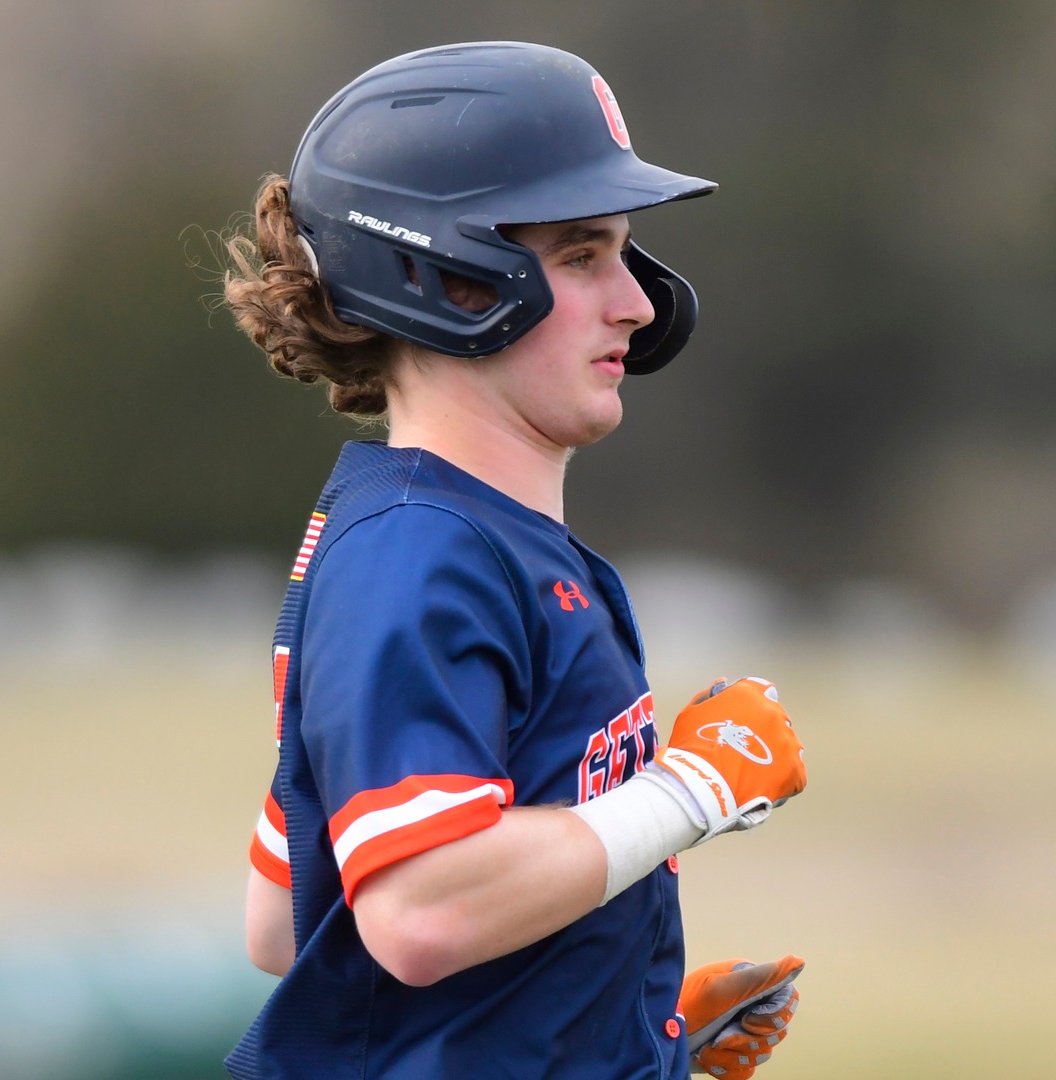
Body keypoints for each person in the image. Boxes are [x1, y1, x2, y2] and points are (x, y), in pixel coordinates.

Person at [214, 42, 810, 1080]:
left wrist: (622, 1030)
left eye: (622, 253)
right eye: (581, 255)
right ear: (437, 276)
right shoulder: (419, 557)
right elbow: (419, 913)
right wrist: (693, 789)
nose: (633, 300)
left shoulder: (461, 537)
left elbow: (288, 921)